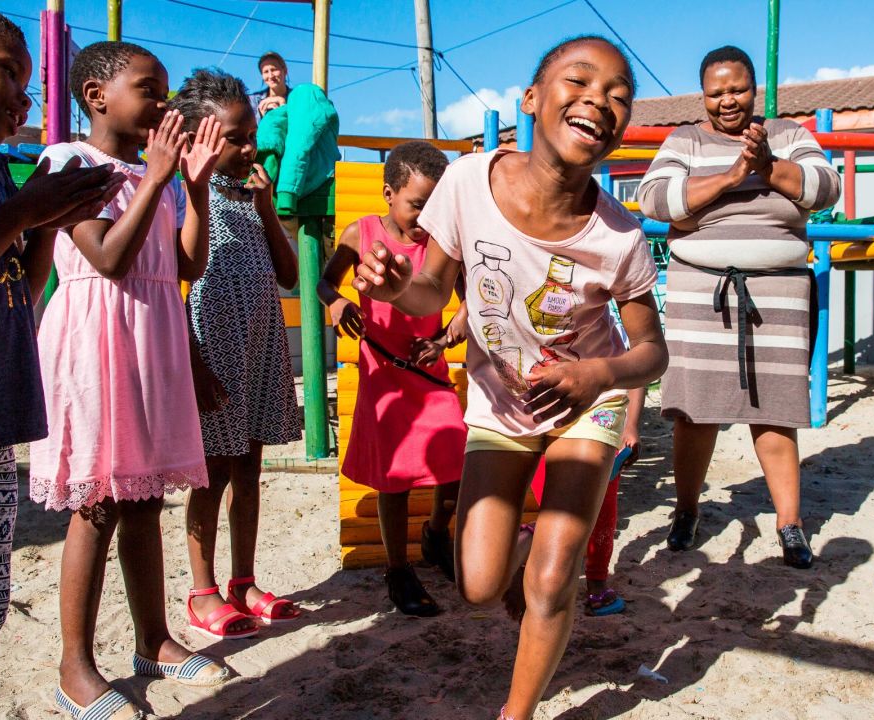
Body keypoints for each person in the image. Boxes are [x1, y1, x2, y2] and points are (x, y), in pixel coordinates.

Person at [353, 36, 666, 720]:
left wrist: (598, 374)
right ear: (531, 100)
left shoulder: (619, 237)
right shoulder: (468, 182)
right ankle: (520, 547)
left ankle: (515, 712)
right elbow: (434, 292)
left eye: (618, 95)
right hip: (500, 410)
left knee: (555, 579)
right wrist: (402, 286)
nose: (599, 100)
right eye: (579, 81)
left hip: (587, 408)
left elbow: (651, 351)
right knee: (477, 582)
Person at [29, 41, 229, 717]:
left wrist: (192, 189)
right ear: (96, 95)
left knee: (144, 501)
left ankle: (154, 642)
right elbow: (109, 258)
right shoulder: (70, 162)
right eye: (150, 89)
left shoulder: (163, 177)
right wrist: (155, 177)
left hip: (151, 339)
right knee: (98, 506)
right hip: (94, 342)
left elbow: (186, 266)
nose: (165, 103)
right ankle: (75, 666)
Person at [0, 4, 122, 717]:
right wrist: (19, 214)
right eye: (8, 72)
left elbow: (17, 270)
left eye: (29, 79)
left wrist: (42, 221)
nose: (25, 96)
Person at [636, 45, 839, 567]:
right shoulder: (684, 139)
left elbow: (825, 189)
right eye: (716, 92)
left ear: (755, 90)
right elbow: (655, 200)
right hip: (700, 294)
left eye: (738, 89)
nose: (728, 101)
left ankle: (790, 524)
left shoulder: (790, 135)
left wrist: (768, 167)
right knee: (694, 410)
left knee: (775, 410)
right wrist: (730, 176)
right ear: (702, 95)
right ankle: (687, 510)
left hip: (777, 294)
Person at [170, 68, 303, 640]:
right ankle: (203, 591)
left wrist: (268, 207)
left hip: (259, 348)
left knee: (250, 465)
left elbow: (290, 275)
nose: (251, 147)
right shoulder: (179, 192)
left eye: (252, 135)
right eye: (236, 137)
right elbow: (171, 283)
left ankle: (243, 580)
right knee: (211, 472)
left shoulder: (249, 194)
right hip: (209, 350)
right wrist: (191, 364)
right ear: (200, 138)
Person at [318, 140, 466, 617]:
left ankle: (436, 534)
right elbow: (325, 282)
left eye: (434, 207)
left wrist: (443, 341)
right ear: (387, 192)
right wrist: (337, 303)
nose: (424, 218)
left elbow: (469, 303)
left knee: (459, 463)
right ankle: (398, 568)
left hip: (430, 374)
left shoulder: (443, 246)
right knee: (395, 478)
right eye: (417, 205)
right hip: (383, 375)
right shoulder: (359, 234)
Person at [529, 386, 646, 616]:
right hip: (554, 427)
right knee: (556, 517)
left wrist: (631, 425)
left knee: (598, 515)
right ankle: (586, 588)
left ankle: (595, 584)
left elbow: (636, 377)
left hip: (599, 426)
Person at [251, 51, 290, 118]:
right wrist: (261, 114)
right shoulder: (254, 101)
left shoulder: (296, 98)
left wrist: (282, 103)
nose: (270, 76)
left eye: (274, 70)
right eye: (266, 72)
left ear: (285, 71)